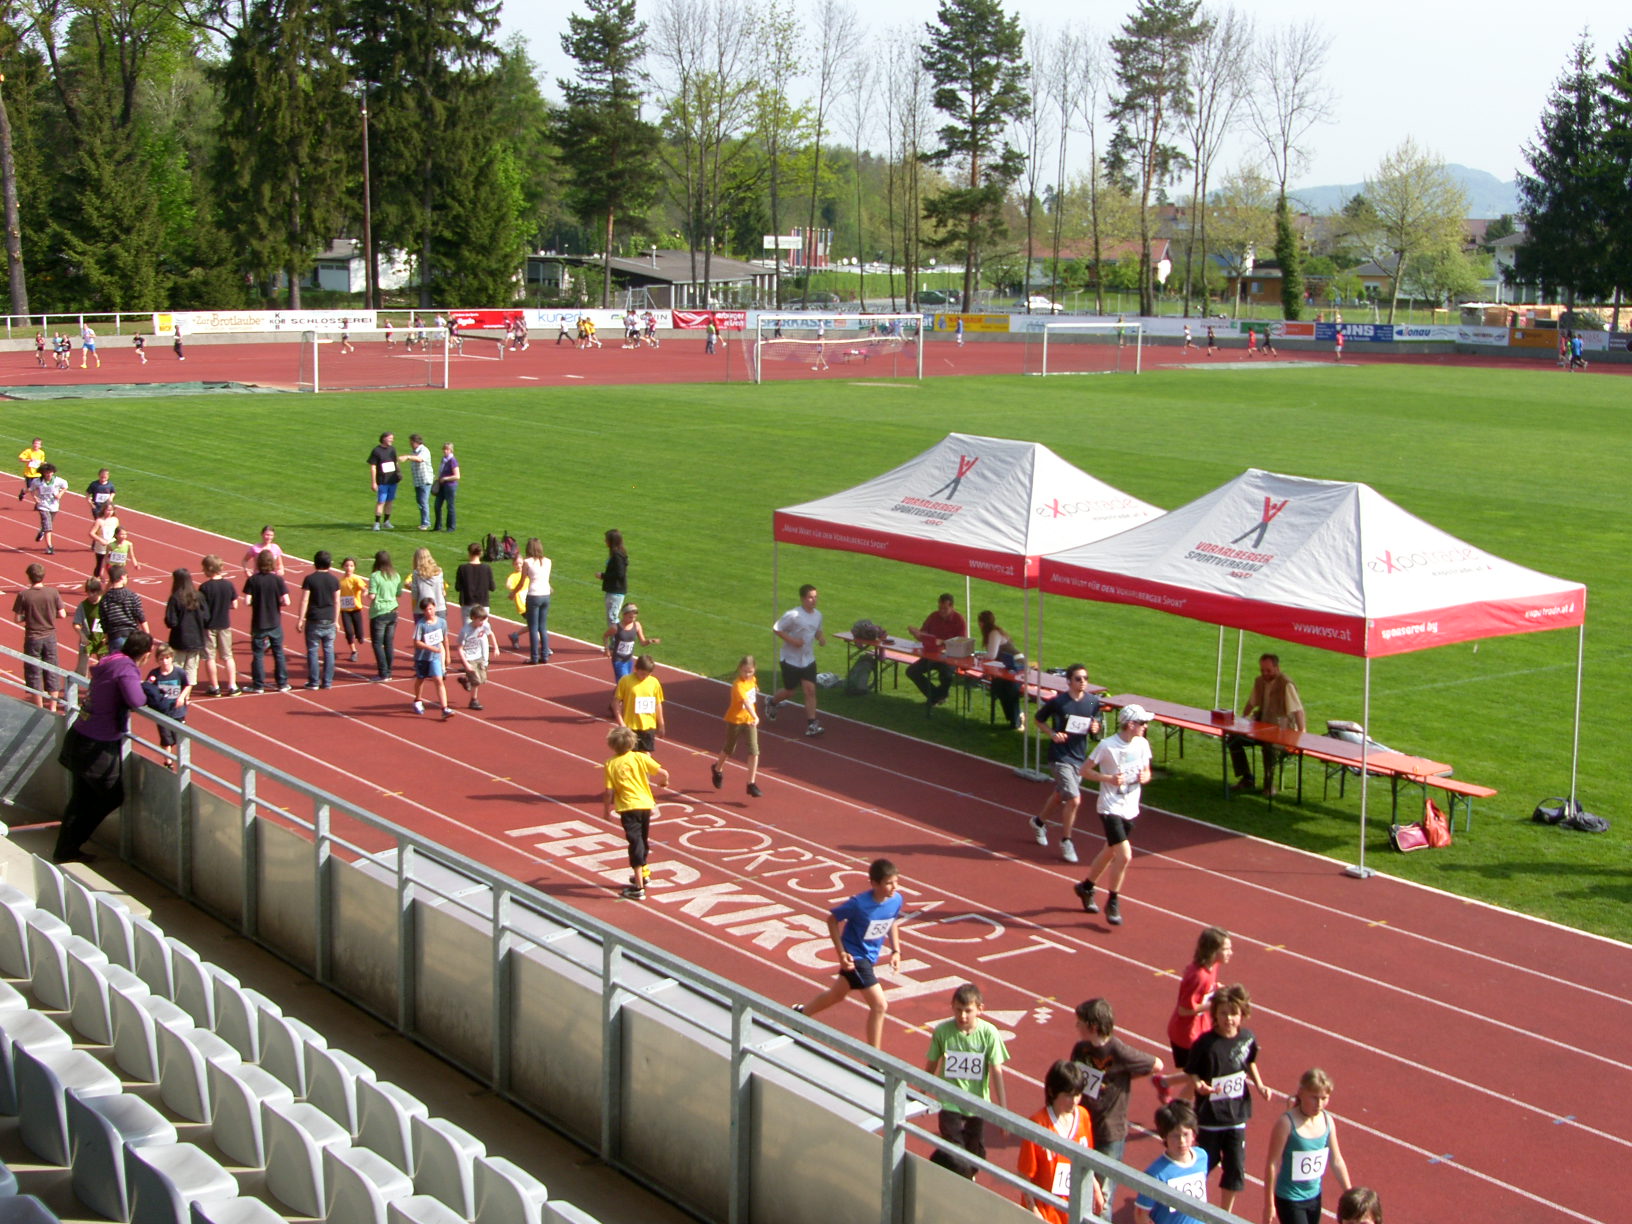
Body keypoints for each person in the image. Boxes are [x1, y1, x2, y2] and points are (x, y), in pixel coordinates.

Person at [54, 630, 156, 863]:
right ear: (145, 654)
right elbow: (136, 700)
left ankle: (66, 849)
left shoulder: (111, 660)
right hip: (97, 744)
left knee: (81, 798)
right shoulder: (126, 668)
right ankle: (72, 843)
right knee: (111, 797)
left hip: (81, 735)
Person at [793, 858, 904, 1049]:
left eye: (896, 882)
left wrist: (896, 951)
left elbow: (892, 921)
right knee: (879, 1005)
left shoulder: (896, 900)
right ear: (874, 883)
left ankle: (800, 1014)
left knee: (837, 995)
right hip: (856, 959)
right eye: (888, 883)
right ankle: (874, 1057)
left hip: (870, 957)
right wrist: (842, 953)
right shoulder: (858, 904)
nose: (894, 887)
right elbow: (832, 920)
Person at [1187, 984, 1272, 1215]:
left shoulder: (1247, 1038)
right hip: (1210, 1118)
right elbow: (1192, 1070)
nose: (1228, 1019)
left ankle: (1225, 1214)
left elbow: (1249, 1062)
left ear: (1242, 1014)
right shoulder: (1205, 1044)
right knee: (1203, 1165)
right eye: (1223, 1013)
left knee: (1235, 1170)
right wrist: (1199, 1085)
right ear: (1215, 1014)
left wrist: (1260, 1085)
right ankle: (1194, 1206)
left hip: (1236, 1117)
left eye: (1233, 1013)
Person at [1070, 997, 1164, 1205]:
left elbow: (1157, 1065)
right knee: (1079, 1186)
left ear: (1093, 1026)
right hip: (1083, 1126)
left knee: (1102, 1195)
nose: (1076, 1026)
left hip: (1109, 1132)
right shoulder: (1080, 1050)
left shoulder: (1118, 1051)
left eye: (1080, 1022)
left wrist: (1124, 1078)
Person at [1072, 704, 1154, 925]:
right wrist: (1108, 779)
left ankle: (1086, 887)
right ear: (1130, 724)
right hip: (1110, 808)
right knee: (1124, 855)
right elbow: (1084, 770)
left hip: (1130, 808)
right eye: (1143, 723)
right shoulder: (1107, 746)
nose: (1146, 726)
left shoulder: (1142, 744)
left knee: (1109, 851)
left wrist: (1145, 777)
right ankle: (1113, 901)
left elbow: (1147, 770)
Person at [923, 983, 1009, 1180]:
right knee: (956, 1154)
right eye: (958, 1010)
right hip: (949, 1102)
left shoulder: (989, 1033)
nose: (962, 1016)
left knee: (975, 1155)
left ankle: (963, 1174)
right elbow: (932, 1064)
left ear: (980, 1009)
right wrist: (920, 1092)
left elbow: (996, 1070)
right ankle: (959, 1182)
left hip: (976, 1103)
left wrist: (1003, 1110)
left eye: (968, 1011)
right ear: (952, 1007)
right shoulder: (942, 1031)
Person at [1029, 664, 1104, 864]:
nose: (1083, 682)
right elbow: (1038, 719)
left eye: (1085, 678)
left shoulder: (1092, 701)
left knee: (1060, 795)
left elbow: (1096, 722)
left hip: (1079, 757)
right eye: (1078, 678)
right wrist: (1053, 734)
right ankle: (1066, 841)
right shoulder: (1059, 702)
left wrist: (1096, 727)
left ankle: (1038, 822)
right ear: (1069, 681)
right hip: (1060, 757)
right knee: (1074, 799)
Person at [1016, 1060, 1104, 1223]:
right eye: (1068, 1095)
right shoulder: (1038, 1125)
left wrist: (1096, 1187)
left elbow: (1087, 1161)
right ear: (1052, 1092)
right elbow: (1024, 1174)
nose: (1075, 1101)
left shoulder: (1083, 1116)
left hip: (1072, 1211)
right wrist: (1033, 1210)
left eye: (1078, 1094)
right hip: (1046, 1213)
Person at [1264, 1068, 1351, 1224]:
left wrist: (1349, 1193)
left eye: (1324, 1098)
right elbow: (1273, 1163)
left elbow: (1336, 1160)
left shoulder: (1328, 1121)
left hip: (1314, 1197)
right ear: (1301, 1093)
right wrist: (1269, 1204)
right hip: (1290, 1198)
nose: (1319, 1104)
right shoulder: (1286, 1123)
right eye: (1314, 1098)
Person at [602, 725, 670, 901]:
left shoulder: (611, 764)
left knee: (635, 844)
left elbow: (608, 792)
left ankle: (638, 887)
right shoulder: (640, 757)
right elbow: (663, 773)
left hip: (628, 808)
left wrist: (606, 811)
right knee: (642, 840)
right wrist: (664, 782)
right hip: (645, 805)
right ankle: (644, 874)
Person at [1164, 927, 1233, 1091]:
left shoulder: (1213, 966)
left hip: (1201, 1028)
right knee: (1200, 1076)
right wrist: (1212, 1004)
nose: (1231, 953)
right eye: (1226, 949)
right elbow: (1183, 1010)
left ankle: (1164, 1083)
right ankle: (1178, 1103)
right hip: (1187, 1034)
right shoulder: (1198, 976)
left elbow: (1206, 991)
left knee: (1199, 1074)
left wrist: (1216, 989)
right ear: (1213, 951)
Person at [1229, 653, 1306, 797]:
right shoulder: (1259, 681)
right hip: (1261, 730)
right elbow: (1251, 702)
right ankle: (1247, 777)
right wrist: (1242, 719)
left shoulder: (1286, 684)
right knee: (1234, 739)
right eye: (1262, 670)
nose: (1265, 674)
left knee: (1268, 747)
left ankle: (1269, 785)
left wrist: (1301, 735)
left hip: (1281, 735)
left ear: (1277, 668)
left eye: (1268, 671)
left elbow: (1298, 711)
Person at [1134, 1101, 1210, 1224]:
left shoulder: (1202, 1157)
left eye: (1186, 1134)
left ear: (1193, 1134)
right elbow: (1141, 1214)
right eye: (1175, 1136)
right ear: (1164, 1136)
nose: (1182, 1141)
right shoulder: (1156, 1174)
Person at [767, 584, 827, 737]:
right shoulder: (793, 615)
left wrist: (820, 638)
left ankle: (812, 724)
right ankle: (772, 702)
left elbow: (817, 630)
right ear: (802, 599)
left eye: (815, 597)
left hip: (808, 659)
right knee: (790, 691)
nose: (814, 600)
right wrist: (793, 641)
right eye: (810, 597)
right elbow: (777, 628)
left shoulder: (818, 615)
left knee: (810, 690)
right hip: (791, 659)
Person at [14, 561, 66, 711]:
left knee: (34, 672)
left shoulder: (24, 595)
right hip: (50, 636)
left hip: (33, 637)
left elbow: (17, 619)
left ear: (29, 577)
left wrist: (29, 616)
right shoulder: (53, 592)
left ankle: (39, 707)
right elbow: (62, 614)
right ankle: (53, 707)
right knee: (52, 670)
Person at [711, 655, 763, 798]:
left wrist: (756, 688)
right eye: (745, 671)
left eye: (750, 672)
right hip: (736, 720)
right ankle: (717, 769)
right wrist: (756, 716)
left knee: (754, 750)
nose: (747, 674)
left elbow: (753, 689)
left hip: (749, 721)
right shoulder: (737, 685)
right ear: (740, 669)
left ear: (754, 670)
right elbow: (746, 702)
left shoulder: (752, 680)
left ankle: (751, 783)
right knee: (729, 748)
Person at [242, 550, 290, 693]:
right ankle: (282, 683)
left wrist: (257, 603)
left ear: (258, 563)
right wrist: (277, 603)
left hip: (259, 622)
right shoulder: (278, 580)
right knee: (278, 653)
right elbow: (287, 601)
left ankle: (258, 685)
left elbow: (247, 601)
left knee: (258, 654)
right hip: (274, 621)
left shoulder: (253, 580)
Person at [906, 593, 966, 707]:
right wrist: (916, 633)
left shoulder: (959, 620)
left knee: (946, 674)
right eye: (939, 608)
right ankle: (937, 696)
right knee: (912, 671)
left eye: (945, 609)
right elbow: (923, 634)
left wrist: (943, 642)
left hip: (950, 657)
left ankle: (935, 697)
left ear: (952, 607)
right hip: (932, 654)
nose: (941, 611)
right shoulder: (934, 616)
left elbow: (962, 642)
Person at [298, 550, 341, 689]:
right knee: (329, 650)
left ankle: (314, 682)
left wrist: (300, 619)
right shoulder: (334, 580)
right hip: (329, 619)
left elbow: (305, 600)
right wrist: (336, 620)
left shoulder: (309, 579)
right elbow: (337, 601)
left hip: (314, 619)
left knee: (312, 650)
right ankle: (327, 681)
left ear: (315, 563)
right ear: (329, 564)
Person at [162, 567, 209, 691]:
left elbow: (171, 621)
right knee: (191, 668)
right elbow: (206, 617)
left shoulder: (175, 598)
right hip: (197, 639)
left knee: (177, 667)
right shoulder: (199, 596)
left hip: (179, 639)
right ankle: (186, 694)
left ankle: (175, 693)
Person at [199, 555, 240, 696]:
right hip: (224, 624)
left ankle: (215, 686)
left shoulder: (204, 587)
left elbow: (201, 608)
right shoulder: (228, 585)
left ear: (209, 569)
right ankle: (232, 685)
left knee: (210, 657)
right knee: (228, 656)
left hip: (209, 626)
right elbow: (234, 604)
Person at [976, 609, 1023, 730]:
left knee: (1009, 687)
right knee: (998, 686)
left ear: (982, 623)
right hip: (1007, 664)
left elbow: (992, 655)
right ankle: (1014, 718)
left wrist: (980, 656)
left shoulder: (994, 633)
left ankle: (1016, 718)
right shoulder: (992, 633)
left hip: (1017, 663)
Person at [508, 537, 553, 663]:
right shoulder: (548, 561)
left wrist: (513, 593)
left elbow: (522, 582)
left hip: (534, 595)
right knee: (542, 627)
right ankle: (544, 655)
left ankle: (534, 657)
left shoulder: (527, 562)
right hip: (545, 594)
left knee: (533, 627)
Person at [143, 643, 190, 759]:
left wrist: (182, 697)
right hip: (162, 712)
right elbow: (146, 688)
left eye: (167, 658)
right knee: (166, 739)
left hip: (178, 711)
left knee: (179, 737)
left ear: (172, 658)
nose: (165, 661)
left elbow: (187, 685)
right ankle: (167, 762)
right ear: (157, 660)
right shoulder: (154, 674)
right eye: (161, 659)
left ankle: (181, 760)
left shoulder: (179, 672)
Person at [410, 598, 454, 718]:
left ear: (434, 607)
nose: (429, 612)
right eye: (426, 610)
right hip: (422, 658)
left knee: (439, 680)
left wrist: (448, 655)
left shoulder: (442, 622)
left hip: (435, 658)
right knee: (420, 679)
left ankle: (444, 708)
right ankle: (418, 700)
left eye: (430, 609)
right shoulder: (421, 624)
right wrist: (431, 648)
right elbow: (416, 642)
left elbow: (445, 639)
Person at [613, 653, 665, 752]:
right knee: (630, 755)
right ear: (636, 669)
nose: (644, 677)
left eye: (648, 674)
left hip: (648, 726)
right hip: (630, 726)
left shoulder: (654, 683)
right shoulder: (626, 681)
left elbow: (658, 704)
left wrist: (661, 724)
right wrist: (621, 723)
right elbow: (616, 702)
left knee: (646, 755)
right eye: (642, 673)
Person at [366, 550, 404, 681]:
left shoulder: (375, 576)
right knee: (388, 643)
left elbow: (372, 595)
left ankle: (383, 672)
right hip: (392, 611)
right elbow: (399, 593)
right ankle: (389, 671)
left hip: (379, 612)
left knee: (377, 643)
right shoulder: (395, 575)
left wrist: (367, 592)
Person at [98, 564, 149, 655]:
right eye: (126, 577)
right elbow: (141, 617)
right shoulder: (132, 596)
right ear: (122, 577)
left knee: (117, 663)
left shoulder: (105, 599)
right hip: (132, 636)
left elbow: (104, 622)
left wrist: (107, 640)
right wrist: (148, 637)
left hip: (115, 637)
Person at [456, 605, 498, 711]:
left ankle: (466, 680)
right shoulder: (465, 631)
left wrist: (496, 647)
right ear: (473, 618)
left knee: (483, 679)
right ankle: (473, 700)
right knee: (477, 681)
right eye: (480, 620)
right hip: (469, 657)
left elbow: (491, 634)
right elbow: (459, 648)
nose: (482, 622)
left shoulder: (485, 625)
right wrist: (466, 664)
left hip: (479, 656)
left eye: (484, 620)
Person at [453, 541, 494, 637]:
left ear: (469, 553)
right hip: (483, 604)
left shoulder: (462, 568)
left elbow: (457, 587)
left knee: (468, 632)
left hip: (468, 603)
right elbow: (492, 587)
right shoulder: (487, 568)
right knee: (482, 632)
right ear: (481, 553)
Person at [71, 577, 106, 676]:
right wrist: (82, 636)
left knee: (105, 668)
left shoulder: (105, 603)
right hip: (88, 639)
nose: (90, 595)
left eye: (93, 592)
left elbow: (113, 620)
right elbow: (76, 624)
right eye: (88, 592)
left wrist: (107, 637)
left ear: (99, 592)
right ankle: (80, 682)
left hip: (103, 639)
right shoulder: (83, 606)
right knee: (82, 669)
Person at [32, 462, 68, 555]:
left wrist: (60, 494)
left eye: (50, 472)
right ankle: (50, 547)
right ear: (43, 473)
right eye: (46, 472)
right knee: (48, 526)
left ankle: (42, 530)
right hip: (43, 505)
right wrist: (35, 498)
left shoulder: (58, 481)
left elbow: (65, 486)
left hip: (54, 506)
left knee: (48, 523)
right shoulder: (37, 481)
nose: (49, 474)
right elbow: (32, 489)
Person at [368, 431, 401, 530]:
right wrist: (374, 482)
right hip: (382, 481)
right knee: (381, 502)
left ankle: (386, 521)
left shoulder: (392, 449)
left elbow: (395, 463)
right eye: (390, 438)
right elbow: (373, 467)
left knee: (390, 501)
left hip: (392, 480)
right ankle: (377, 523)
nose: (392, 440)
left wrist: (399, 473)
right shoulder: (376, 451)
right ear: (384, 438)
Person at [338, 556, 367, 663]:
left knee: (359, 632)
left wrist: (364, 591)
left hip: (356, 609)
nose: (349, 568)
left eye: (351, 566)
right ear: (343, 567)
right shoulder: (340, 581)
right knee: (349, 632)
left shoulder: (356, 579)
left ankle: (360, 636)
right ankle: (354, 651)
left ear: (354, 567)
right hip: (345, 610)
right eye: (347, 566)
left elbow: (363, 587)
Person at [408, 547, 445, 628]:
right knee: (440, 634)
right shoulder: (439, 571)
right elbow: (443, 591)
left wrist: (414, 609)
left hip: (423, 609)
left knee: (423, 634)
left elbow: (415, 594)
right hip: (439, 607)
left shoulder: (416, 574)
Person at [598, 528, 628, 625]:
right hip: (613, 590)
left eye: (606, 539)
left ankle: (621, 634)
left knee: (612, 618)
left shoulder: (617, 555)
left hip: (616, 591)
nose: (605, 541)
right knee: (611, 618)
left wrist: (603, 576)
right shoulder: (616, 553)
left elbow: (620, 574)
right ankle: (616, 634)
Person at [404, 433, 435, 530]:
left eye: (411, 442)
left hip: (424, 480)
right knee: (420, 502)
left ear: (416, 442)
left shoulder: (424, 450)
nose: (410, 444)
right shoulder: (414, 451)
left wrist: (408, 457)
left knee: (423, 502)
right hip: (418, 481)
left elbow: (420, 459)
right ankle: (424, 522)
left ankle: (426, 523)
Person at [432, 442, 459, 532]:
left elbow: (457, 476)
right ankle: (438, 526)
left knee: (450, 506)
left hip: (450, 486)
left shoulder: (452, 461)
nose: (445, 451)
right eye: (444, 449)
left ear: (451, 450)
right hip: (442, 485)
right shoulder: (444, 459)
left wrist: (445, 478)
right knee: (437, 505)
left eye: (447, 449)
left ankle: (451, 527)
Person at [88, 507, 119, 579]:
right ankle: (95, 581)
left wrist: (116, 540)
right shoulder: (99, 521)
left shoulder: (115, 520)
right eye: (108, 510)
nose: (109, 512)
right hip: (101, 547)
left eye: (111, 510)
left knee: (113, 565)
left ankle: (114, 580)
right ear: (104, 510)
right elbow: (91, 533)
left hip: (112, 545)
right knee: (99, 564)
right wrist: (100, 540)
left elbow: (118, 531)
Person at [17, 437, 44, 502]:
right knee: (30, 489)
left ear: (40, 446)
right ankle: (23, 492)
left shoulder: (41, 453)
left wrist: (43, 463)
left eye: (38, 444)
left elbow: (41, 462)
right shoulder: (28, 451)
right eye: (35, 443)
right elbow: (21, 459)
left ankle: (37, 502)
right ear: (32, 444)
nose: (36, 445)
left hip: (37, 474)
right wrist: (29, 460)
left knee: (38, 488)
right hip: (29, 474)